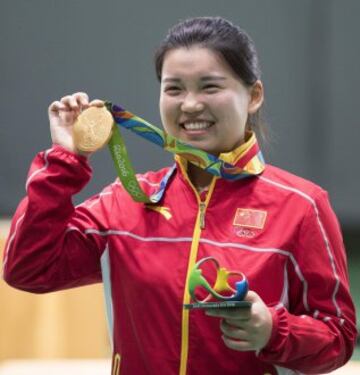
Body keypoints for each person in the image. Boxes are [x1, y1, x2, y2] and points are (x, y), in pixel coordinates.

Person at [2, 16, 357, 375]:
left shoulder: (301, 206)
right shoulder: (126, 201)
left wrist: (274, 331)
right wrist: (65, 160)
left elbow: (338, 340)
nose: (189, 105)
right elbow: (28, 269)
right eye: (174, 89)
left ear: (253, 95)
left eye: (210, 87)